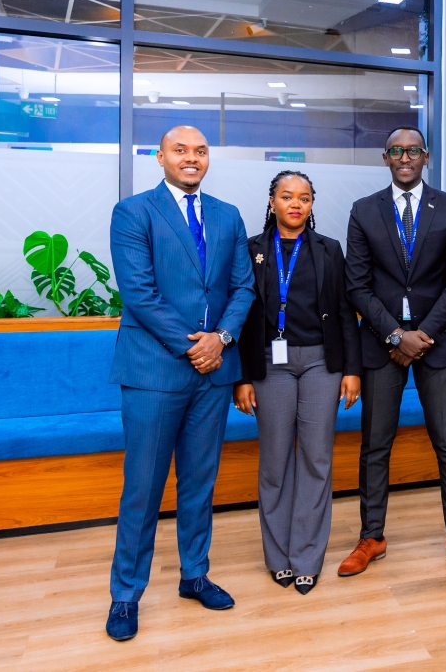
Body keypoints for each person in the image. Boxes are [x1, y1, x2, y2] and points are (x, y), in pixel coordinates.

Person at [105, 126, 255, 641]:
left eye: (200, 151)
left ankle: (195, 575)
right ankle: (126, 595)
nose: (191, 158)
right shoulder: (134, 212)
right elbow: (139, 294)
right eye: (180, 151)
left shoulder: (227, 214)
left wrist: (223, 337)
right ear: (160, 157)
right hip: (155, 371)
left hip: (212, 376)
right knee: (143, 489)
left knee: (198, 482)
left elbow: (243, 287)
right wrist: (196, 345)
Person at [340, 126, 446, 577]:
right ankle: (371, 536)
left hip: (436, 344)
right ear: (386, 158)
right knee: (375, 445)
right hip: (382, 346)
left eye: (412, 150)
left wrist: (420, 334)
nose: (405, 157)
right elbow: (356, 285)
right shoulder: (364, 211)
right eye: (396, 151)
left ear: (425, 156)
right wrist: (395, 337)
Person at [233, 171, 362, 595]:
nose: (295, 204)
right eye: (286, 196)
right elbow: (241, 314)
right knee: (274, 462)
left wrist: (351, 370)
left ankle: (307, 557)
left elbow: (345, 313)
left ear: (311, 204)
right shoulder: (250, 250)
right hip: (270, 364)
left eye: (303, 198)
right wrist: (243, 377)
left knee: (316, 460)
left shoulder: (328, 250)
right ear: (271, 201)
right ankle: (278, 557)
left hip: (321, 363)